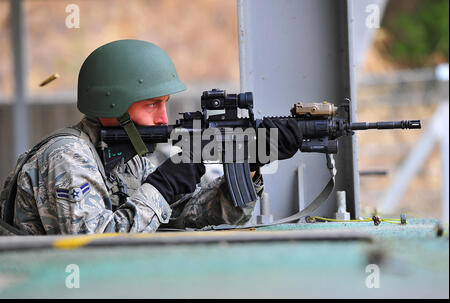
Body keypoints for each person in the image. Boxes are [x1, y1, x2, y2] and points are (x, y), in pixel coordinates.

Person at [0, 39, 302, 235]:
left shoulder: (127, 155)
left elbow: (189, 216)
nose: (163, 118)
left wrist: (247, 165)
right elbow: (97, 250)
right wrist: (163, 186)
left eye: (165, 103)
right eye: (151, 104)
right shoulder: (67, 156)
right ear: (112, 105)